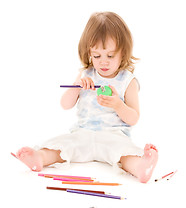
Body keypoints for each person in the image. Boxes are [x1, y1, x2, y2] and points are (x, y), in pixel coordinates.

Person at [16, 12, 158, 183]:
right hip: (83, 133)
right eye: (97, 56)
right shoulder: (86, 74)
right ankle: (39, 157)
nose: (103, 62)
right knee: (63, 145)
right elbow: (65, 104)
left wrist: (118, 105)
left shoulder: (127, 81)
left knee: (124, 153)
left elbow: (134, 118)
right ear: (89, 52)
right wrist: (77, 88)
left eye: (110, 56)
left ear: (124, 53)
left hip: (113, 135)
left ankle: (141, 167)